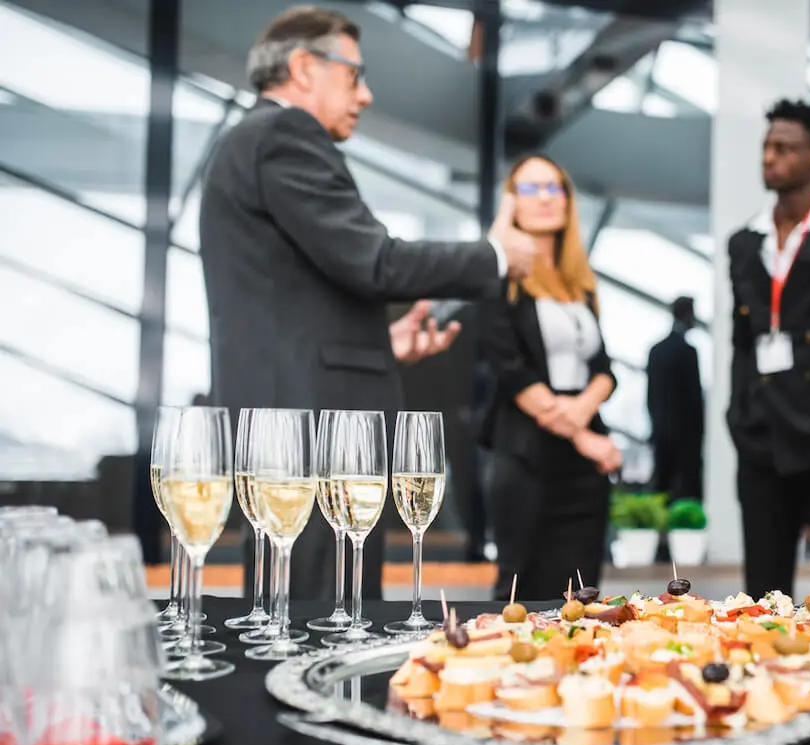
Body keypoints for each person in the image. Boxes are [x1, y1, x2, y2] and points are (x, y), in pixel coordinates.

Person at [198, 5, 536, 602]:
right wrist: (496, 256)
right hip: (312, 434)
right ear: (304, 67)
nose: (367, 94)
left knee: (301, 611)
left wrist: (381, 343)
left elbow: (298, 293)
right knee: (316, 621)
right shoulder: (284, 135)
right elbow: (374, 261)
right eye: (355, 75)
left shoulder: (256, 142)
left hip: (293, 422)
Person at [480, 154, 623, 602]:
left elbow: (604, 368)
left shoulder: (579, 282)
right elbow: (510, 368)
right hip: (527, 453)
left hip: (584, 468)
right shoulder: (500, 277)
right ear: (511, 204)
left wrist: (582, 411)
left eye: (553, 187)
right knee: (521, 592)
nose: (544, 198)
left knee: (582, 597)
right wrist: (582, 434)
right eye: (529, 189)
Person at [725, 99, 810, 601]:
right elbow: (741, 342)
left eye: (784, 148)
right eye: (766, 146)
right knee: (761, 594)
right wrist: (739, 415)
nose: (769, 157)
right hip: (761, 437)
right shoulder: (743, 243)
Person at [646, 297, 704, 503]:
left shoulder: (656, 351)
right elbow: (694, 400)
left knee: (661, 489)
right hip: (684, 437)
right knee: (685, 492)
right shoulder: (688, 352)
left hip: (660, 431)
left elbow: (650, 396)